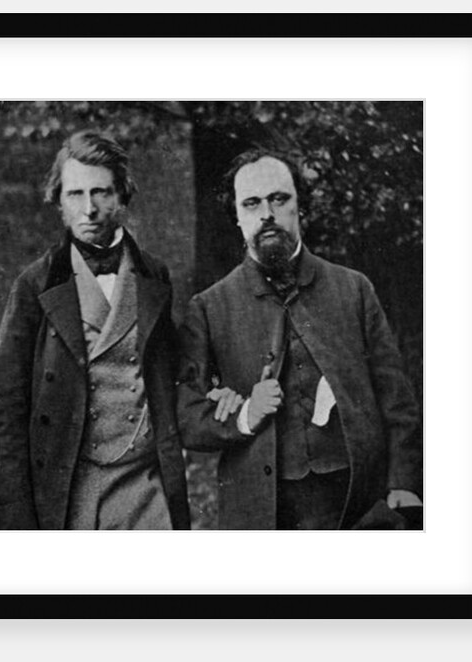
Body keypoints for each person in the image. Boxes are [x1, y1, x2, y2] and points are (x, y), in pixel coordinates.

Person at [177, 147, 422, 530]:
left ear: (299, 205)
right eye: (252, 203)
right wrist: (245, 415)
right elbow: (187, 416)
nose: (267, 214)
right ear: (237, 216)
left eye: (279, 199)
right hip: (263, 512)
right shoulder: (208, 308)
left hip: (358, 503)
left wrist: (403, 485)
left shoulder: (353, 289)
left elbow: (397, 402)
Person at [0, 130, 190, 530]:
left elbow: (173, 376)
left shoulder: (154, 275)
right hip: (71, 492)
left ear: (122, 196)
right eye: (75, 194)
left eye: (101, 193)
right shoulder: (35, 285)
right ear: (58, 201)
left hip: (145, 489)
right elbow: (0, 417)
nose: (88, 209)